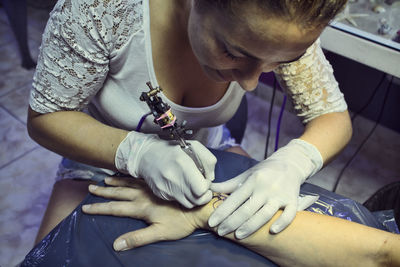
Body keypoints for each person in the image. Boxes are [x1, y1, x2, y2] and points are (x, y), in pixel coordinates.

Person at [27, 0, 352, 243]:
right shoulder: (102, 10)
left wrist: (293, 162)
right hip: (98, 158)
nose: (251, 82)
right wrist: (137, 153)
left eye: (281, 61)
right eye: (233, 53)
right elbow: (46, 118)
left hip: (207, 152)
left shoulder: (281, 24)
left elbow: (334, 118)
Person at [23, 150, 400, 266]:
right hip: (103, 161)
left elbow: (381, 255)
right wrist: (132, 148)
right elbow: (382, 252)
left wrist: (203, 211)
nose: (252, 83)